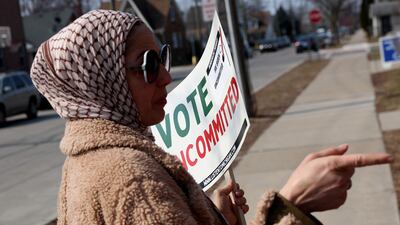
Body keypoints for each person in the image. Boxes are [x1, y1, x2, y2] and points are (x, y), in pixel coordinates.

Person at [30, 10, 392, 225]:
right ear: (100, 79)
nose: (168, 77)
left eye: (164, 58)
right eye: (149, 65)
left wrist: (209, 217)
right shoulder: (131, 179)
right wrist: (294, 201)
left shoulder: (84, 164)